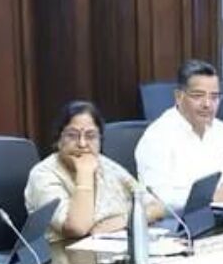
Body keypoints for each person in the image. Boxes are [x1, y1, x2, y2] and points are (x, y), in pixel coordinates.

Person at [25, 100, 163, 241]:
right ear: (58, 140)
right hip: (64, 251)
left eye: (90, 136)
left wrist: (124, 220)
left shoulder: (105, 164)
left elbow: (156, 207)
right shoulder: (43, 174)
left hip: (111, 247)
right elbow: (77, 228)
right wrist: (84, 174)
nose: (82, 144)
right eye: (72, 135)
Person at [134, 59, 223, 211]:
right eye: (198, 96)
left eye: (214, 97)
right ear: (178, 97)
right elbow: (157, 197)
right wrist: (211, 197)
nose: (207, 104)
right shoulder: (157, 137)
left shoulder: (221, 130)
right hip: (179, 223)